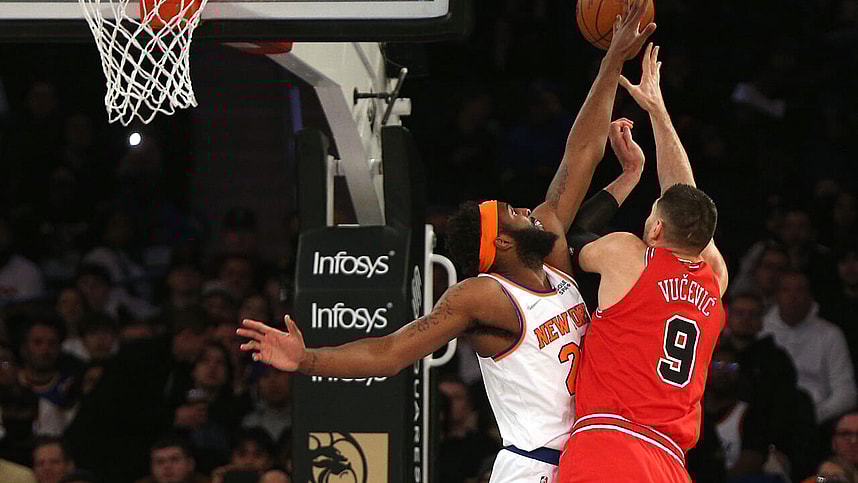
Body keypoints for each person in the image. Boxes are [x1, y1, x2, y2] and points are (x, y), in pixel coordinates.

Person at [236, 2, 656, 481]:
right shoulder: (484, 296)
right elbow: (390, 353)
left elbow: (581, 152)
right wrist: (306, 359)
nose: (529, 212)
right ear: (501, 244)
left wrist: (611, 61)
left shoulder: (554, 264)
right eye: (515, 214)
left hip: (591, 456)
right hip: (534, 466)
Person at [556, 43, 729, 483]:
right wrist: (658, 112)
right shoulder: (714, 279)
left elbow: (571, 235)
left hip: (609, 445)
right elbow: (685, 200)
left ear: (655, 229)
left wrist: (629, 175)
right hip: (670, 462)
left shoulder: (627, 256)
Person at [761, 270, 857, 425]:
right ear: (776, 296)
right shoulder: (761, 330)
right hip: (766, 418)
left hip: (818, 419)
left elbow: (846, 391)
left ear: (811, 297)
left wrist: (814, 416)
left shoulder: (830, 334)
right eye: (786, 290)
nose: (792, 297)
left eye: (799, 290)